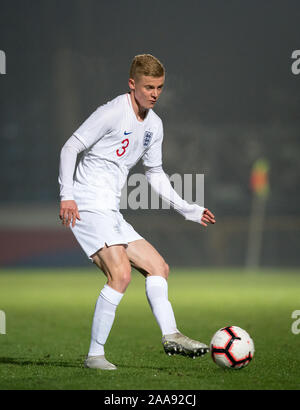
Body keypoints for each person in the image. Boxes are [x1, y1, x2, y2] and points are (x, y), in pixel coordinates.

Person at [58, 54, 216, 370]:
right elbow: (70, 147)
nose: (155, 93)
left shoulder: (154, 125)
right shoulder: (112, 112)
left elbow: (155, 173)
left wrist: (187, 209)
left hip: (110, 210)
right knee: (121, 275)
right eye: (148, 87)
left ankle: (171, 334)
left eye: (159, 87)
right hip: (88, 204)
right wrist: (67, 197)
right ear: (132, 84)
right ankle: (95, 356)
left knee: (159, 267)